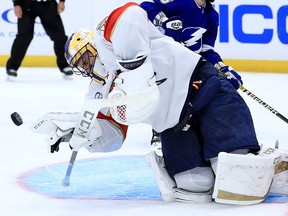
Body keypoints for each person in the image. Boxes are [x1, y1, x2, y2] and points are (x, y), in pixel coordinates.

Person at [31, 2, 288, 205]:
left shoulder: (106, 37)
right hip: (174, 125)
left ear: (92, 46)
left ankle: (272, 163)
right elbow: (114, 137)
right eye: (80, 66)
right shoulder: (97, 92)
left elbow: (130, 13)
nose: (86, 67)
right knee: (193, 186)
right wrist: (82, 133)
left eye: (84, 58)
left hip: (204, 91)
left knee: (237, 178)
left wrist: (135, 71)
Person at [140, 0, 243, 149]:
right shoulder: (180, 2)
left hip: (191, 64)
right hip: (166, 61)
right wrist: (164, 21)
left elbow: (206, 51)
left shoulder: (212, 16)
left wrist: (223, 68)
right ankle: (159, 131)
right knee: (170, 87)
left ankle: (201, 131)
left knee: (212, 86)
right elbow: (145, 6)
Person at [6, 0, 73, 80]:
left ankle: (64, 65)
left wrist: (62, 1)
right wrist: (16, 4)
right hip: (27, 5)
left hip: (48, 4)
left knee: (60, 36)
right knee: (24, 36)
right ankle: (12, 67)